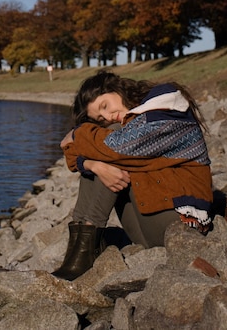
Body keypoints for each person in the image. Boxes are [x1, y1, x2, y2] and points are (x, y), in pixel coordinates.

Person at [52, 70, 213, 281]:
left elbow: (117, 148)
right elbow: (92, 152)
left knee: (109, 149)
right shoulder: (131, 123)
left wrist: (77, 135)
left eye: (105, 106)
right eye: (100, 118)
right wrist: (90, 164)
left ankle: (83, 257)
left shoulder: (166, 106)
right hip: (147, 230)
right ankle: (78, 254)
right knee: (102, 155)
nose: (108, 116)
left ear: (116, 88)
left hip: (183, 226)